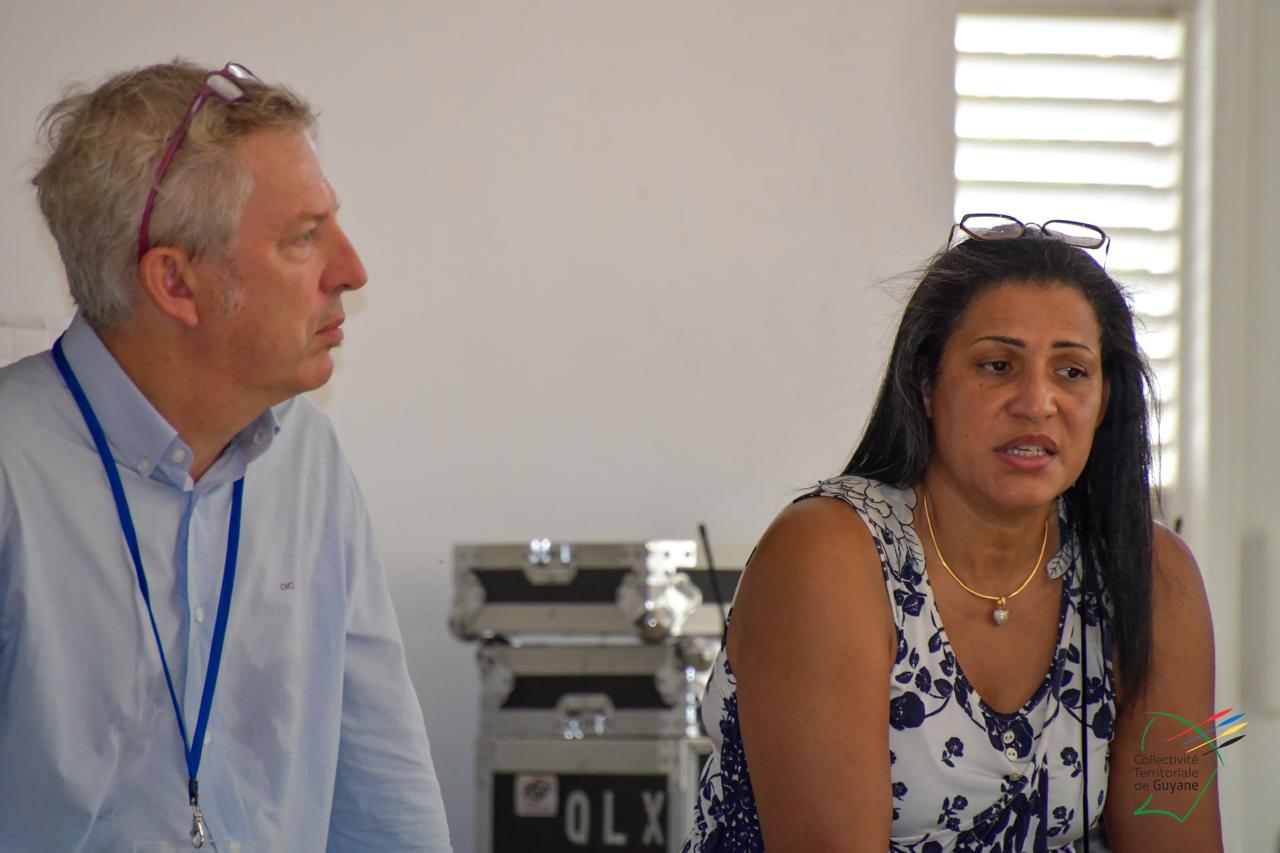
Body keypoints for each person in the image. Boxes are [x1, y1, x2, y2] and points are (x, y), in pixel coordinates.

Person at [0, 61, 452, 851]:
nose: (351, 271)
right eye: (302, 237)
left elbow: (385, 803)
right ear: (176, 282)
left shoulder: (307, 457)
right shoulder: (13, 469)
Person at [684, 215, 1222, 852]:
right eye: (997, 365)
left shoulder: (1152, 573)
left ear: (1105, 400)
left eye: (1072, 372)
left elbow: (1177, 831)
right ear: (926, 384)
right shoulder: (830, 554)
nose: (1036, 402)